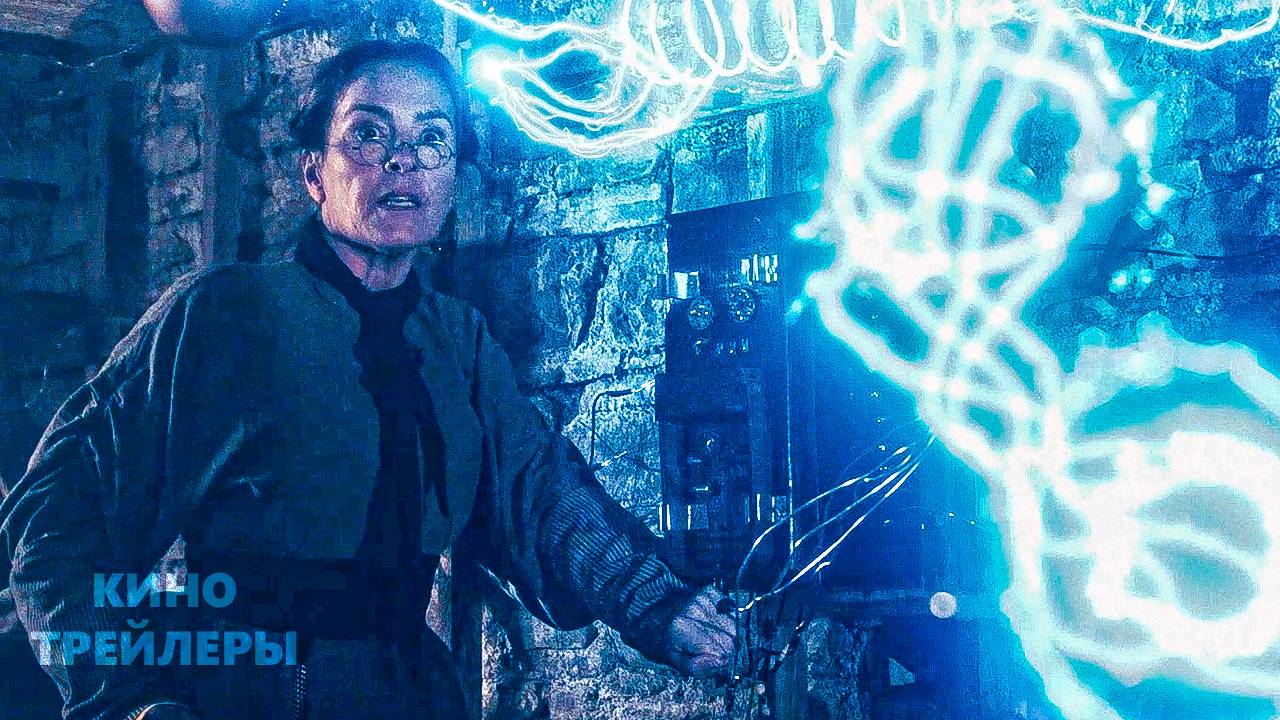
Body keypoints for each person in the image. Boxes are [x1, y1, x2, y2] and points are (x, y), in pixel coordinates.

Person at [0, 40, 735, 720]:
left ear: (451, 179)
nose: (403, 161)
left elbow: (539, 498)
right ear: (313, 172)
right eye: (369, 135)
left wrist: (660, 608)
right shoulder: (224, 315)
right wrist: (127, 701)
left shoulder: (459, 341)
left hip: (409, 694)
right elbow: (55, 517)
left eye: (432, 139)